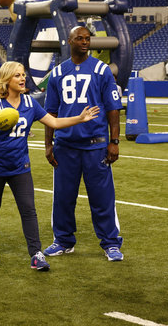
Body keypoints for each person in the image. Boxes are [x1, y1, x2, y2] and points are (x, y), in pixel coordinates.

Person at [0, 61, 99, 271]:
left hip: (20, 166)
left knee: (28, 209)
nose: (23, 78)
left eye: (23, 74)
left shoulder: (30, 103)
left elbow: (54, 123)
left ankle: (36, 254)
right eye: (17, 75)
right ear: (7, 80)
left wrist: (80, 118)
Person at [43, 26, 124, 262]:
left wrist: (114, 141)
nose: (85, 42)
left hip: (95, 144)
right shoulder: (57, 72)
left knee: (102, 198)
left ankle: (110, 243)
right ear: (69, 41)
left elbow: (113, 108)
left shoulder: (102, 70)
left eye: (88, 39)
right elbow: (50, 112)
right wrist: (49, 145)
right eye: (80, 38)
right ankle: (63, 240)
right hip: (65, 146)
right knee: (63, 197)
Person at [5, 0, 94, 89]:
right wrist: (10, 3)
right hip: (46, 34)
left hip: (66, 30)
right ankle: (33, 92)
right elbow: (18, 18)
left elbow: (78, 4)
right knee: (33, 73)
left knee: (75, 67)